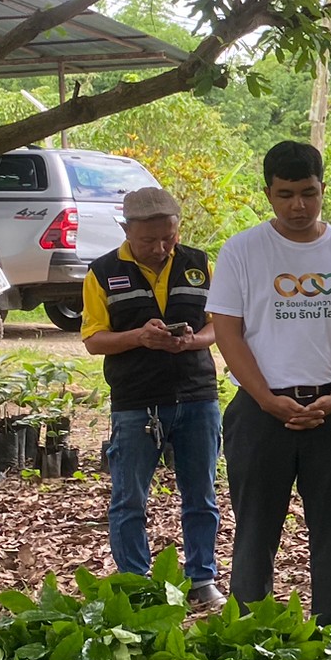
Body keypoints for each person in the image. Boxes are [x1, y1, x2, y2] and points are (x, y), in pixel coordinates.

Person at [209, 140, 331, 622]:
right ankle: (249, 630)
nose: (298, 206)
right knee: (254, 530)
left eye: (308, 193)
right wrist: (266, 398)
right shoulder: (243, 251)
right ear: (268, 193)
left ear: (323, 189)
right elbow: (227, 332)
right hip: (259, 414)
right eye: (285, 194)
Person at [82, 186, 223, 606]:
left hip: (197, 395)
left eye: (169, 237)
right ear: (127, 231)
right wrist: (139, 337)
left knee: (202, 496)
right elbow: (94, 339)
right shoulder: (102, 272)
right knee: (129, 499)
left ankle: (202, 579)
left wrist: (194, 341)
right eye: (149, 240)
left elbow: (220, 325)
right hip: (135, 400)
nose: (161, 248)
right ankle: (136, 583)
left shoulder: (200, 264)